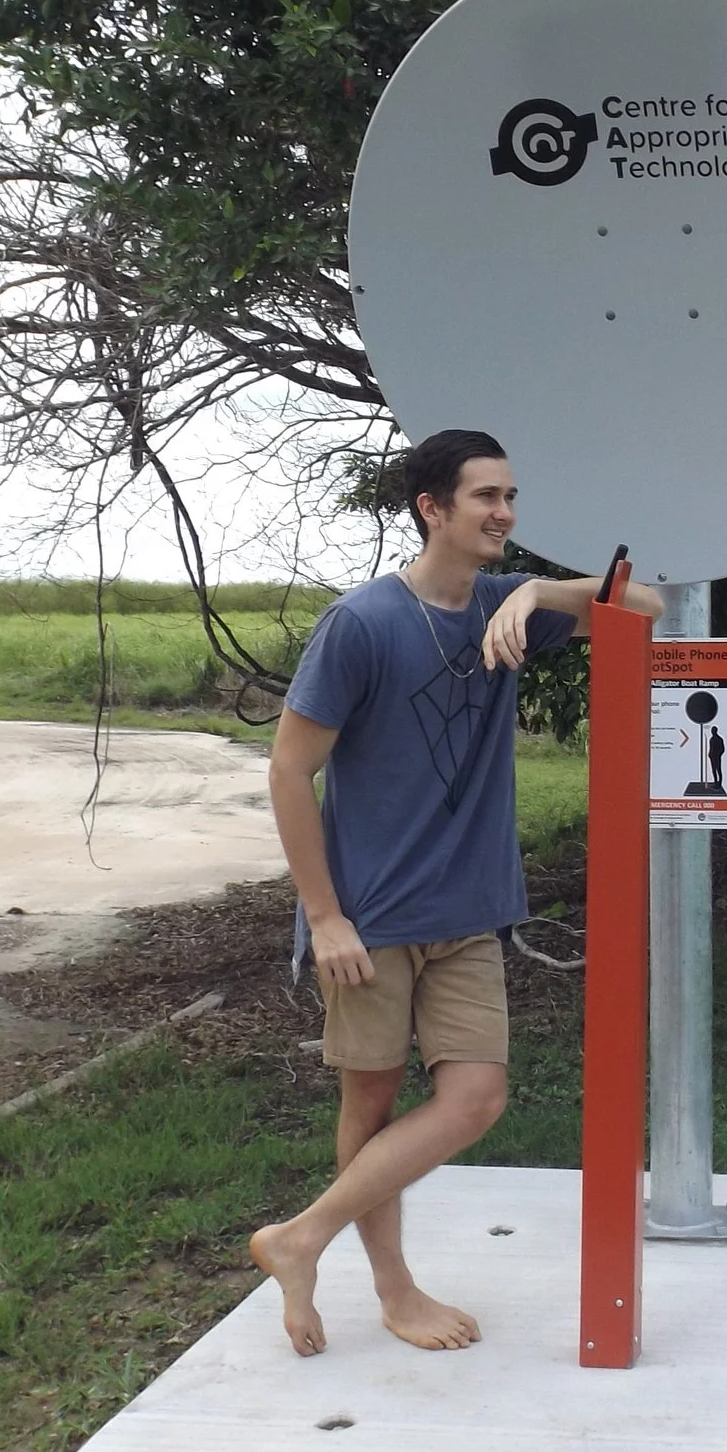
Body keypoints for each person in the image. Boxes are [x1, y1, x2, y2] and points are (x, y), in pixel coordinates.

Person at [249, 428, 661, 1356]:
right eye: (485, 497)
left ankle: (298, 1237)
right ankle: (393, 1290)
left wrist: (543, 593)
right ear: (432, 508)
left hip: (470, 910)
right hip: (372, 915)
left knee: (476, 1096)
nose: (505, 513)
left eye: (510, 495)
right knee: (371, 1102)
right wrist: (324, 916)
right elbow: (287, 770)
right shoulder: (362, 624)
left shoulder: (508, 601)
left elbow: (649, 602)